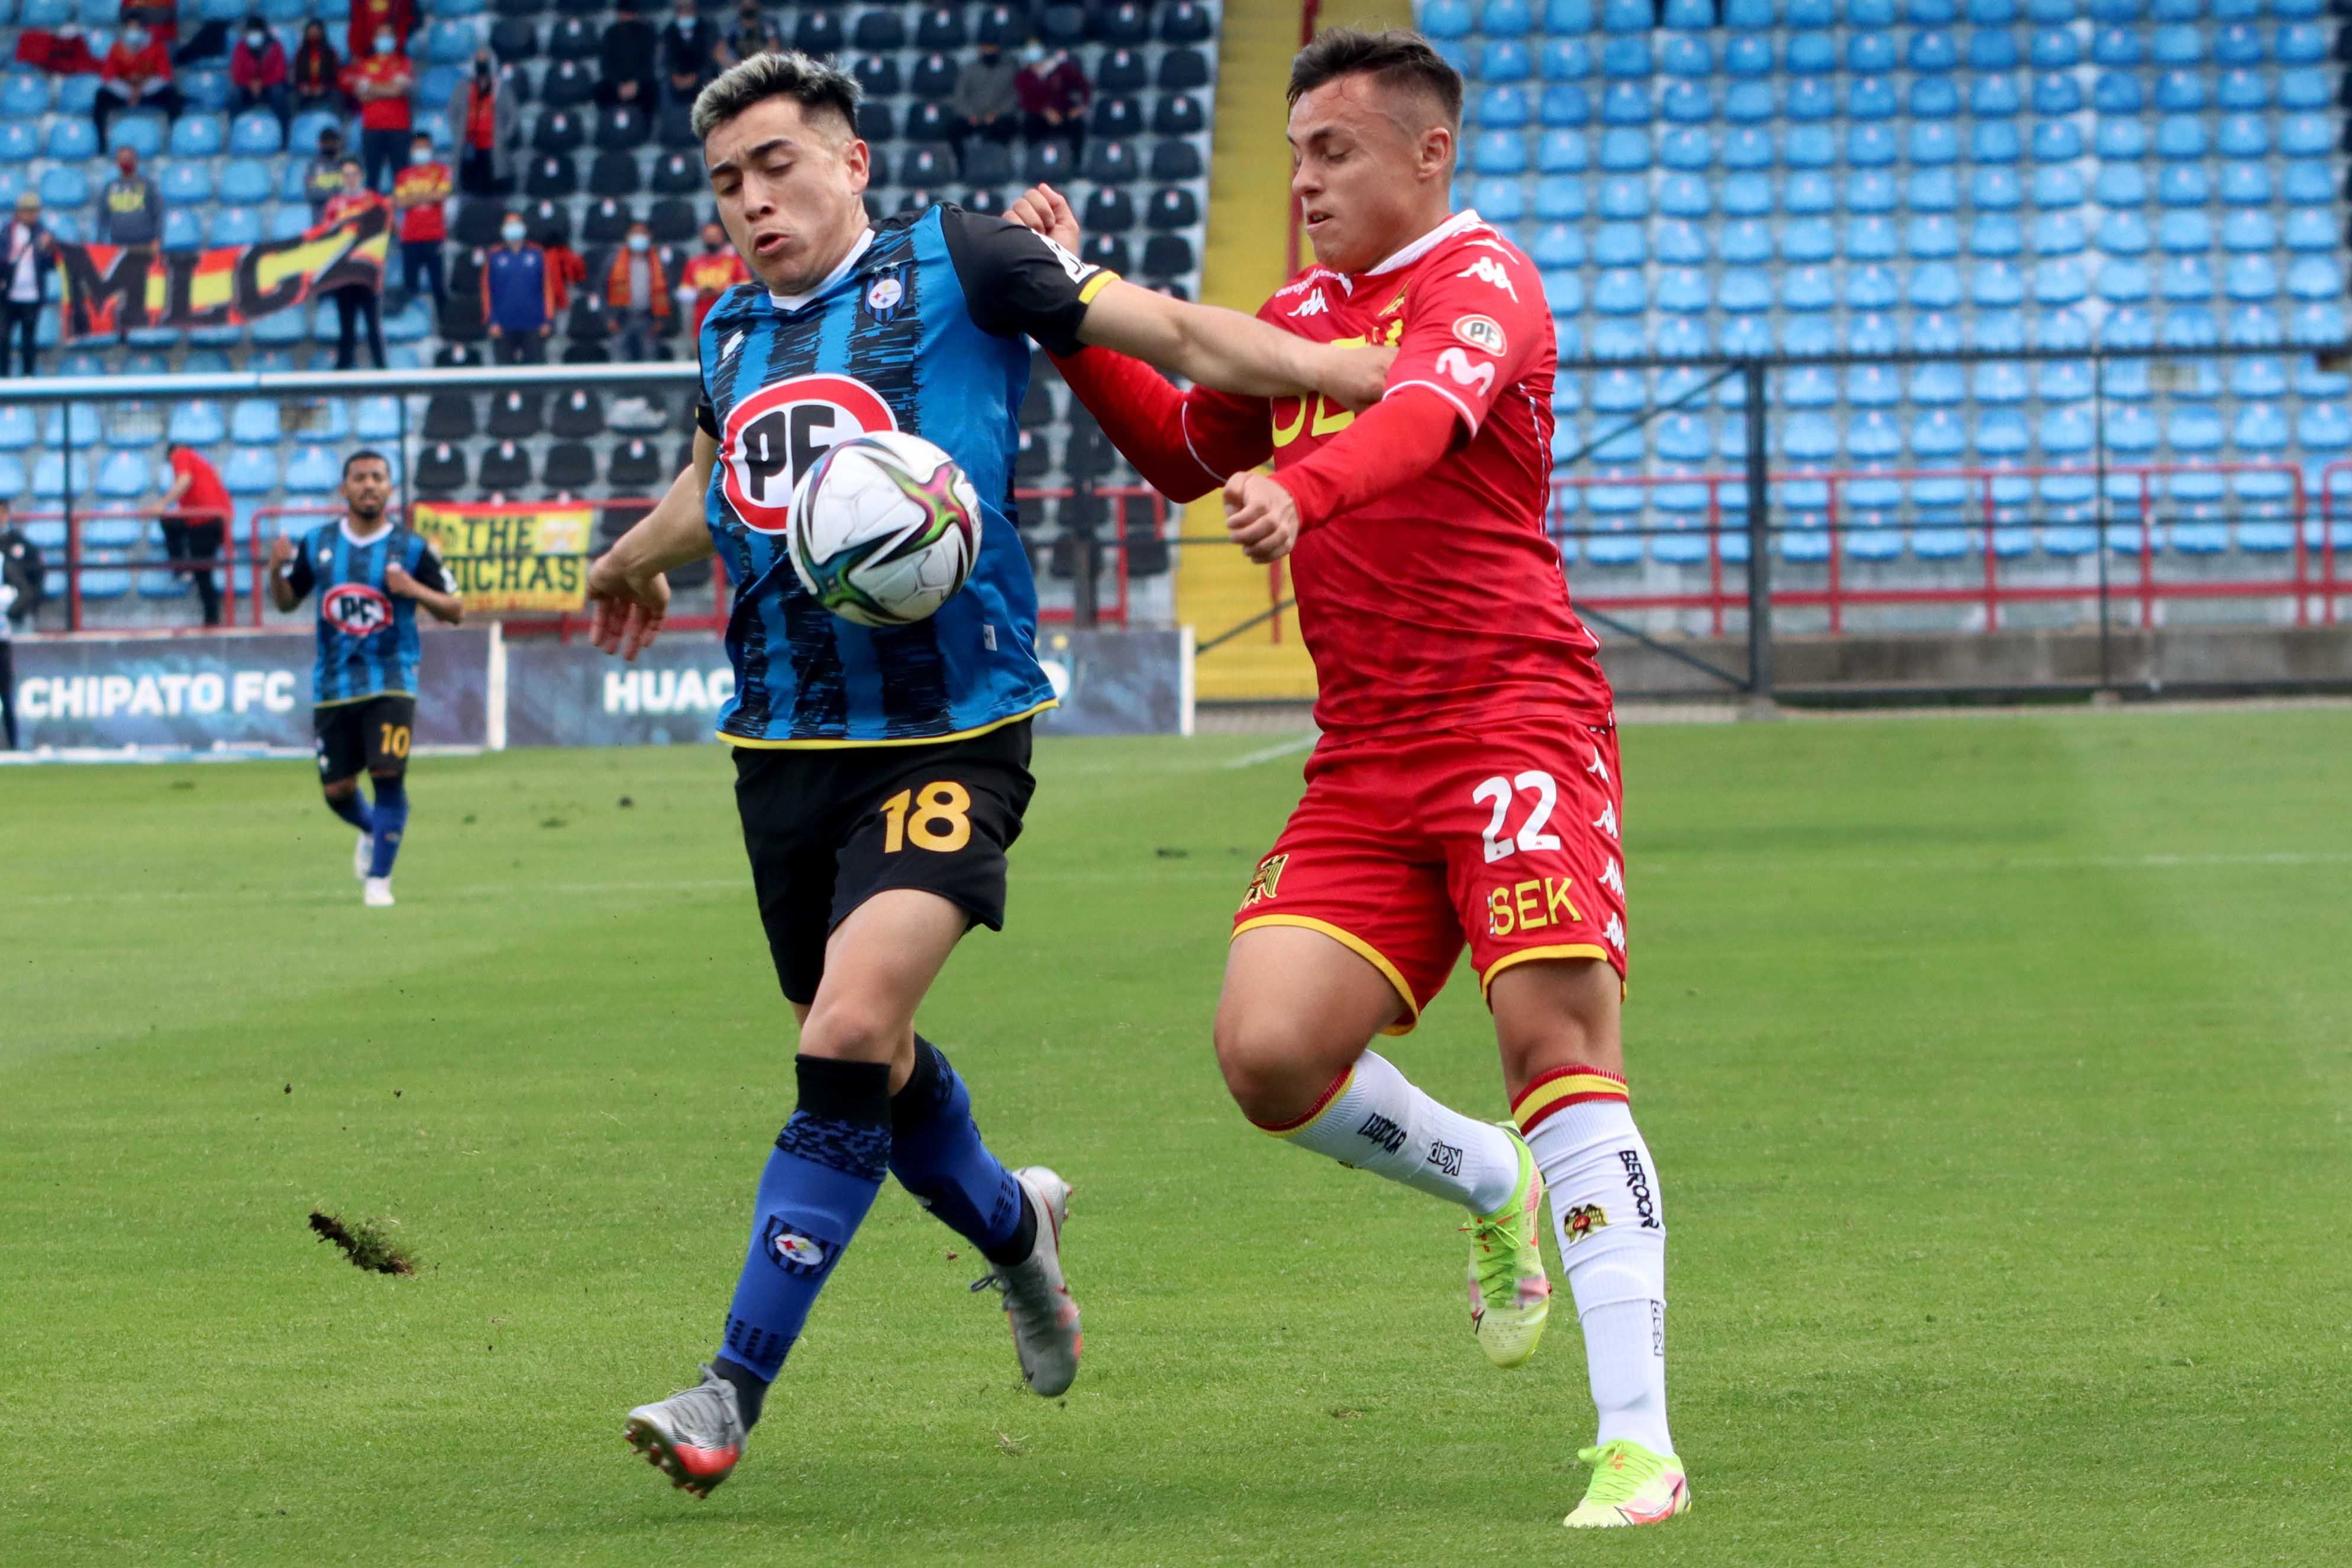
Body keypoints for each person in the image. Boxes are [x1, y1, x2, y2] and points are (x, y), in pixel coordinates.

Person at [583, 50, 1386, 1500]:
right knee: (870, 1066)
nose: (751, 203)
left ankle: (727, 1389)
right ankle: (1018, 1227)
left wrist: (1350, 373)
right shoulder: (723, 330)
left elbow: (1182, 336)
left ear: (851, 162)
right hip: (781, 752)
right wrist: (639, 548)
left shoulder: (963, 259)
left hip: (953, 734)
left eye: (776, 166)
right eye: (725, 184)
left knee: (841, 1032)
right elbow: (728, 486)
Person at [1011, 28, 1687, 1530]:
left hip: (1513, 719)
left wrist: (1299, 488)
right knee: (1265, 1052)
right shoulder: (1300, 309)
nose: (1305, 179)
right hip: (1368, 751)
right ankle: (1491, 1185)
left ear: (1428, 154)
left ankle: (1638, 1439)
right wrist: (1066, 319)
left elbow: (1421, 420)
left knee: (1555, 1037)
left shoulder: (1482, 279)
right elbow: (1191, 449)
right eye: (1296, 151)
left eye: (1337, 151)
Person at [267, 451, 460, 906]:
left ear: (390, 488)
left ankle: (379, 883)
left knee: (388, 775)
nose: (369, 485)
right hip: (333, 684)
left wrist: (412, 589)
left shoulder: (412, 549)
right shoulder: (318, 543)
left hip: (392, 680)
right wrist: (274, 569)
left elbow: (456, 608)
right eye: (360, 478)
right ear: (345, 488)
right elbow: (286, 602)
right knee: (337, 791)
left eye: (378, 477)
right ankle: (375, 829)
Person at [157, 443, 232, 626]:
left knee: (203, 573)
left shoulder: (181, 454)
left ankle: (212, 621)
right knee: (170, 523)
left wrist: (162, 503)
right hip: (210, 518)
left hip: (206, 520)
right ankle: (181, 568)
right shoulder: (200, 463)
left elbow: (184, 480)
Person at [323, 160, 390, 368]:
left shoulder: (374, 200)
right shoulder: (334, 204)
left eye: (353, 174)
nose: (350, 179)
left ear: (361, 175)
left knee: (373, 325)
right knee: (346, 326)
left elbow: (384, 231)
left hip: (367, 273)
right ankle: (343, 367)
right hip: (344, 274)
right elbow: (327, 236)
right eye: (346, 174)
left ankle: (381, 367)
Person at [341, 26, 415, 193]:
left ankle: (401, 218)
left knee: (402, 177)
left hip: (399, 128)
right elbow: (361, 96)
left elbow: (399, 91)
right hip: (372, 128)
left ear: (395, 39)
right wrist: (390, 88)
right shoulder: (365, 65)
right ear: (374, 40)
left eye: (388, 36)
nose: (384, 40)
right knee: (372, 178)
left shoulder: (404, 63)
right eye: (381, 36)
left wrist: (372, 88)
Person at [93, 18, 184, 144]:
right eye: (130, 29)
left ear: (143, 31)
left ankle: (176, 140)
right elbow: (108, 78)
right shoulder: (117, 48)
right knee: (101, 96)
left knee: (172, 96)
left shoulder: (157, 47)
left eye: (136, 29)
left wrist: (141, 90)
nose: (133, 32)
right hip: (124, 94)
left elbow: (165, 77)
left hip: (149, 93)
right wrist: (129, 91)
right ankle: (101, 144)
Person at [483, 213, 554, 363]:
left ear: (524, 228)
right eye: (509, 225)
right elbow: (487, 291)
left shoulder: (537, 254)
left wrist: (547, 320)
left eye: (516, 224)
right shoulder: (494, 256)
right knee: (505, 379)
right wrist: (491, 321)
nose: (513, 228)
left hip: (534, 325)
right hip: (503, 325)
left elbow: (547, 288)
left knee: (535, 376)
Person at [393, 131, 450, 311]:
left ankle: (445, 328)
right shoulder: (403, 175)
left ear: (431, 148)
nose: (421, 151)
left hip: (434, 236)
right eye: (418, 147)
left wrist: (414, 197)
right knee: (410, 288)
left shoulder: (442, 171)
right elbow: (401, 202)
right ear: (411, 149)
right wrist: (427, 196)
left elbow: (441, 195)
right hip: (410, 238)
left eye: (425, 147)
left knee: (438, 287)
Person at [0, 497, 40, 749]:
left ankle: (13, 746)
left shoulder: (5, 560)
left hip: (1, 637)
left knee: (6, 693)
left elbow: (25, 590)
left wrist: (12, 611)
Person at [3, 193, 56, 379]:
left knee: (29, 340)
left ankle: (28, 375)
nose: (30, 215)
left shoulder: (43, 234)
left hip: (32, 296)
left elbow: (51, 265)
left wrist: (47, 248)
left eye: (33, 212)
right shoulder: (7, 232)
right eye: (26, 211)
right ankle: (4, 376)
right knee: (3, 338)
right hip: (8, 295)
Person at [603, 221, 671, 360]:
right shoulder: (614, 260)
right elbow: (602, 290)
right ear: (628, 236)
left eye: (642, 233)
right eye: (635, 233)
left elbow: (667, 291)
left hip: (648, 318)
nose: (639, 237)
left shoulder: (658, 262)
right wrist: (609, 317)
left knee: (650, 358)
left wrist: (660, 319)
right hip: (622, 318)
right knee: (618, 358)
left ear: (649, 236)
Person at [1014, 38, 1089, 159]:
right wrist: (1045, 111)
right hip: (1039, 115)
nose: (1037, 66)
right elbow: (1025, 101)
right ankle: (1034, 160)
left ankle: (1076, 163)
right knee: (1029, 124)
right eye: (1033, 63)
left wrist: (1081, 107)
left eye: (1039, 62)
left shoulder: (1061, 69)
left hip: (1064, 112)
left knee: (1078, 124)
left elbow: (1084, 85)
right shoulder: (1023, 77)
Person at [676, 218, 748, 337]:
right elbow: (683, 292)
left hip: (729, 316)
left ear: (722, 238)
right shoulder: (694, 263)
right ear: (703, 238)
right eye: (708, 236)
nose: (711, 239)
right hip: (702, 318)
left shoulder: (735, 262)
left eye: (715, 236)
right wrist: (698, 292)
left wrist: (723, 291)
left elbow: (747, 286)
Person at [949, 39, 1018, 160]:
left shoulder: (1009, 70)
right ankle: (962, 165)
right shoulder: (969, 69)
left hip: (998, 118)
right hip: (972, 117)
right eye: (986, 48)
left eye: (992, 48)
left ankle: (997, 164)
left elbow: (1013, 97)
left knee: (1006, 127)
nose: (989, 51)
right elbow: (959, 97)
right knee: (954, 129)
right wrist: (971, 115)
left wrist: (997, 114)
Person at [447, 51, 503, 198]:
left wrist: (504, 134)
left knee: (489, 183)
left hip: (491, 143)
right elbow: (452, 111)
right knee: (469, 183)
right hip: (470, 142)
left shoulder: (498, 86)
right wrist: (458, 131)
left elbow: (510, 115)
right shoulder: (464, 86)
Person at [229, 15, 290, 134]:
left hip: (269, 86)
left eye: (257, 31)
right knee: (235, 94)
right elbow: (237, 73)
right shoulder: (240, 48)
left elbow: (280, 72)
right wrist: (250, 83)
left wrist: (262, 83)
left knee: (279, 92)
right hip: (248, 87)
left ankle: (284, 132)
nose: (253, 35)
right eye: (251, 31)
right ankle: (234, 132)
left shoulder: (275, 47)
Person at [95, 147, 163, 249]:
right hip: (118, 245)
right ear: (117, 162)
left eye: (129, 158)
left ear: (135, 161)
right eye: (122, 159)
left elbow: (158, 213)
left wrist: (157, 239)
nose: (126, 161)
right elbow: (102, 218)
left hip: (145, 245)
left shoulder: (147, 185)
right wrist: (100, 243)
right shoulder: (110, 187)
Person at [596, 1, 660, 108]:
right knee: (601, 90)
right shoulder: (610, 34)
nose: (627, 17)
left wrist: (636, 83)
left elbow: (650, 62)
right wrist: (618, 85)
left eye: (630, 14)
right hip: (616, 83)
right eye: (624, 13)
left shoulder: (647, 33)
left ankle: (645, 124)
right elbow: (606, 64)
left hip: (640, 82)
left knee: (653, 91)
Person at [658, 0, 715, 108]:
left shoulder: (706, 29)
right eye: (681, 9)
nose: (685, 12)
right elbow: (666, 59)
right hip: (676, 79)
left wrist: (695, 76)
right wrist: (675, 76)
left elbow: (710, 58)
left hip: (700, 77)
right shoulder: (669, 32)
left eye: (688, 9)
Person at [290, 21, 345, 119]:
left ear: (322, 33)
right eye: (311, 32)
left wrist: (324, 87)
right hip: (306, 90)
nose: (314, 34)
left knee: (338, 96)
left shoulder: (330, 53)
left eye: (316, 31)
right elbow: (297, 76)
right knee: (292, 98)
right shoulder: (301, 54)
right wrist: (303, 86)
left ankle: (339, 124)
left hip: (326, 89)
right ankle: (294, 127)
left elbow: (335, 75)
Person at [715, 0, 780, 71]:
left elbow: (774, 49)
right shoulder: (731, 28)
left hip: (761, 68)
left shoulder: (768, 26)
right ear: (739, 6)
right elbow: (719, 54)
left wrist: (758, 66)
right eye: (745, 5)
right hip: (737, 70)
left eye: (752, 4)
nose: (749, 8)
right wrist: (739, 67)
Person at [301, 125, 350, 218]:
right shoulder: (312, 167)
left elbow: (352, 191)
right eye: (327, 141)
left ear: (339, 143)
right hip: (321, 217)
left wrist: (325, 189)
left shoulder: (347, 164)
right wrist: (335, 192)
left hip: (344, 216)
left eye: (333, 141)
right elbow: (311, 193)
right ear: (320, 143)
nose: (330, 144)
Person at [345, 0, 412, 64]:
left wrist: (398, 49)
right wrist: (358, 53)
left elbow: (404, 22)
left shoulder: (400, 3)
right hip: (366, 52)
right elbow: (357, 23)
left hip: (396, 51)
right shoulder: (360, 3)